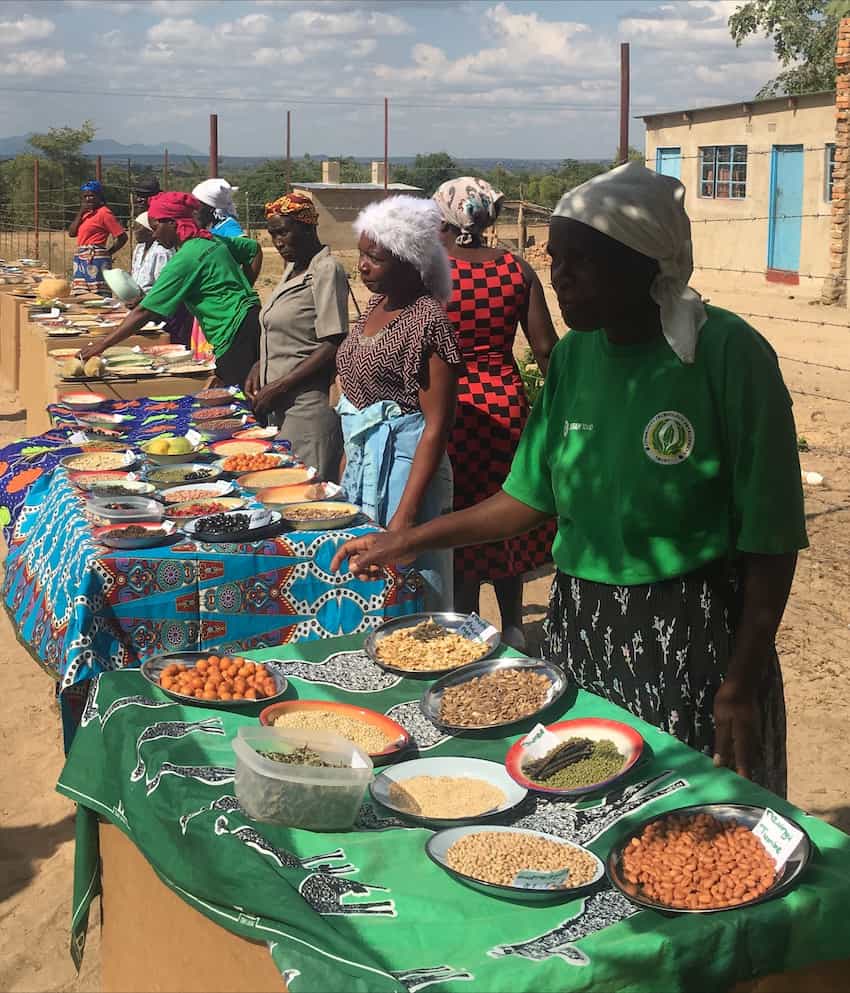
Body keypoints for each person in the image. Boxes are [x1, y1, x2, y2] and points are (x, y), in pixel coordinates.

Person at [332, 162, 808, 796]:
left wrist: (741, 681)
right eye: (556, 259)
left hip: (695, 631)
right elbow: (526, 499)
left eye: (583, 262)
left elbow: (770, 537)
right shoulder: (576, 358)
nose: (561, 279)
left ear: (648, 263)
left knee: (691, 810)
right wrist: (407, 539)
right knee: (588, 798)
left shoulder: (728, 355)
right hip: (583, 620)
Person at [433, 176, 558, 650]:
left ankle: (467, 631)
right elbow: (545, 347)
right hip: (506, 405)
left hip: (452, 409)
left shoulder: (433, 272)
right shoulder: (517, 269)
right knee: (506, 511)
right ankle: (512, 625)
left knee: (463, 518)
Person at [335, 195, 462, 610]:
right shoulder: (377, 304)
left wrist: (406, 518)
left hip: (408, 475)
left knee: (414, 587)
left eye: (376, 258)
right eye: (362, 255)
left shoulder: (428, 321)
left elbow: (436, 425)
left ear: (410, 260)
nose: (364, 266)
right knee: (366, 582)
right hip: (366, 463)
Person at [80, 192, 263, 387]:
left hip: (232, 332)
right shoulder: (211, 240)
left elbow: (144, 313)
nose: (154, 234)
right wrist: (243, 288)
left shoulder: (185, 259)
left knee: (243, 397)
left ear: (173, 223)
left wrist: (101, 346)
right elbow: (254, 250)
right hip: (253, 318)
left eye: (156, 227)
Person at [245, 194, 348, 481]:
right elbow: (283, 330)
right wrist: (259, 365)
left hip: (307, 407)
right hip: (279, 405)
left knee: (308, 491)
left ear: (307, 227)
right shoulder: (293, 270)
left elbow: (333, 343)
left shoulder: (326, 270)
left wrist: (278, 386)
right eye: (273, 234)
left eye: (283, 232)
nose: (278, 242)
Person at [67, 180, 127, 293]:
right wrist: (81, 212)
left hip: (96, 258)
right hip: (80, 258)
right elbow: (72, 233)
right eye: (85, 196)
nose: (88, 199)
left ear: (99, 196)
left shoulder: (104, 213)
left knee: (97, 293)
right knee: (80, 291)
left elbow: (122, 237)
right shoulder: (85, 214)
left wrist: (108, 253)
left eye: (92, 195)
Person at [129, 211, 173, 296]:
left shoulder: (162, 252)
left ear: (150, 231)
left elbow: (162, 284)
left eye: (137, 227)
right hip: (135, 298)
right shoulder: (139, 248)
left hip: (151, 300)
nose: (134, 230)